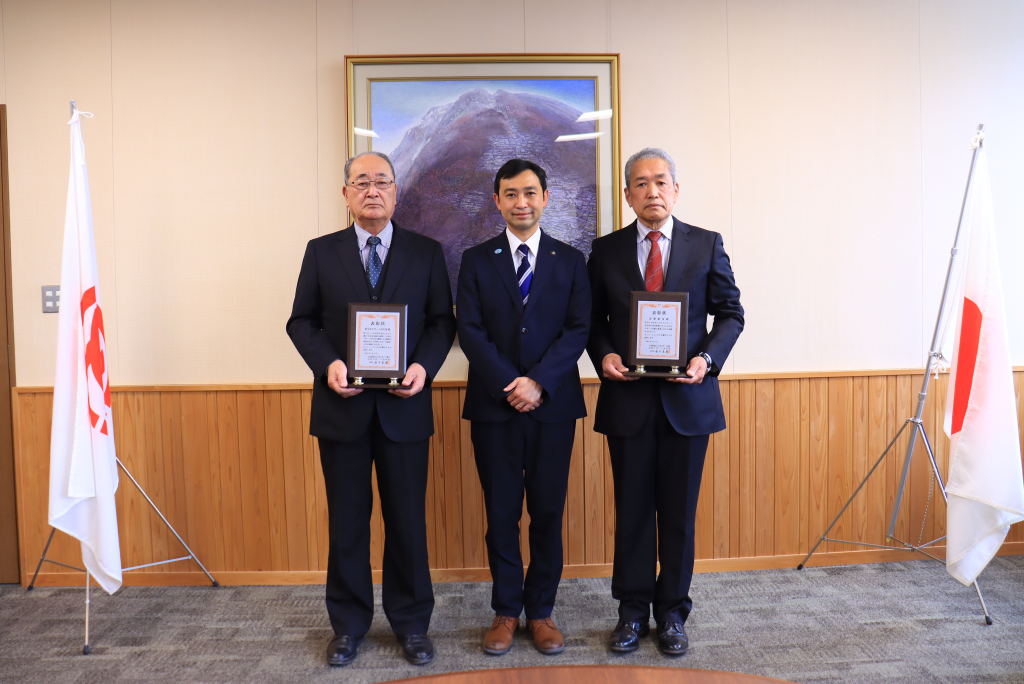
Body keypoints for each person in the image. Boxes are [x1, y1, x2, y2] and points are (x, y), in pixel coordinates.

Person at [286, 151, 456, 667]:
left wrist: (423, 367)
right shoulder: (321, 251)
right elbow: (301, 321)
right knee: (347, 523)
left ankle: (412, 624)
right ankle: (348, 626)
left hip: (405, 409)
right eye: (361, 182)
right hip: (343, 410)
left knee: (408, 522)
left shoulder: (426, 252)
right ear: (346, 194)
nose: (372, 190)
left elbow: (441, 323)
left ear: (396, 192)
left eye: (382, 181)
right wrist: (329, 364)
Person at [586, 148, 744, 656]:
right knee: (632, 513)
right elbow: (590, 321)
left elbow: (731, 313)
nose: (651, 191)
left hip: (688, 402)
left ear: (675, 190)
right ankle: (632, 613)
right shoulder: (605, 250)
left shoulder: (706, 244)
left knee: (678, 516)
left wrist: (707, 359)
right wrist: (605, 354)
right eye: (641, 183)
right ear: (627, 194)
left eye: (660, 182)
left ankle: (673, 614)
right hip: (628, 401)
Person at [456, 159, 591, 656]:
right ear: (497, 201)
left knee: (548, 512)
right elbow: (470, 330)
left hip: (552, 406)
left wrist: (538, 382)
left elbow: (578, 328)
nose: (522, 202)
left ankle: (542, 612)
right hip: (494, 407)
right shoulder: (476, 260)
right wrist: (510, 384)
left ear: (546, 198)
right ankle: (506, 611)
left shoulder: (570, 260)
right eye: (511, 194)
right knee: (501, 513)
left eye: (530, 192)